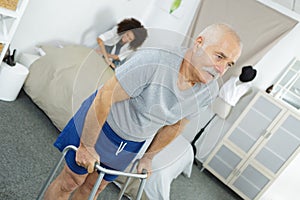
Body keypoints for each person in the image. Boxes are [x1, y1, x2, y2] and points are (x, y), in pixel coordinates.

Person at [44, 23, 242, 199]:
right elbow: (105, 97)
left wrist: (148, 157)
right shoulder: (154, 60)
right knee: (71, 182)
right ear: (199, 43)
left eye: (229, 64)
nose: (221, 69)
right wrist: (87, 146)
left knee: (93, 189)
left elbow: (176, 125)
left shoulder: (209, 90)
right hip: (102, 124)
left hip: (131, 142)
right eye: (219, 56)